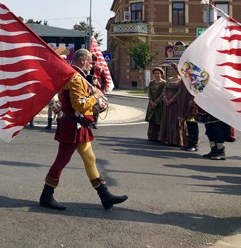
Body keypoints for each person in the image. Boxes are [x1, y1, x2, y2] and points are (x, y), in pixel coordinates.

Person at [39, 49, 127, 211]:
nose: (91, 64)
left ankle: (105, 196)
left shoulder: (74, 77)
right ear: (82, 60)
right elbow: (79, 104)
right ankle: (46, 195)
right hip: (73, 126)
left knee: (89, 159)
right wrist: (96, 96)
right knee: (61, 161)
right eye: (90, 61)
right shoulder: (76, 79)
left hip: (77, 125)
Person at [158, 64, 185, 147]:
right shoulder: (169, 80)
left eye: (173, 69)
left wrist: (172, 100)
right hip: (167, 103)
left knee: (174, 121)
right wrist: (165, 98)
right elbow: (164, 90)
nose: (172, 71)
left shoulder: (180, 80)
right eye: (171, 69)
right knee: (167, 120)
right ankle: (166, 139)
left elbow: (180, 91)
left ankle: (176, 140)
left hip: (175, 104)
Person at [145, 67, 166, 142]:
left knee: (158, 119)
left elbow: (163, 94)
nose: (157, 75)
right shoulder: (151, 83)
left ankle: (158, 136)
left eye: (158, 73)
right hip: (151, 103)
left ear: (161, 74)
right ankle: (151, 136)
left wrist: (156, 102)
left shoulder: (164, 83)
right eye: (155, 73)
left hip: (159, 104)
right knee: (152, 119)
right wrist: (151, 101)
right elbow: (149, 93)